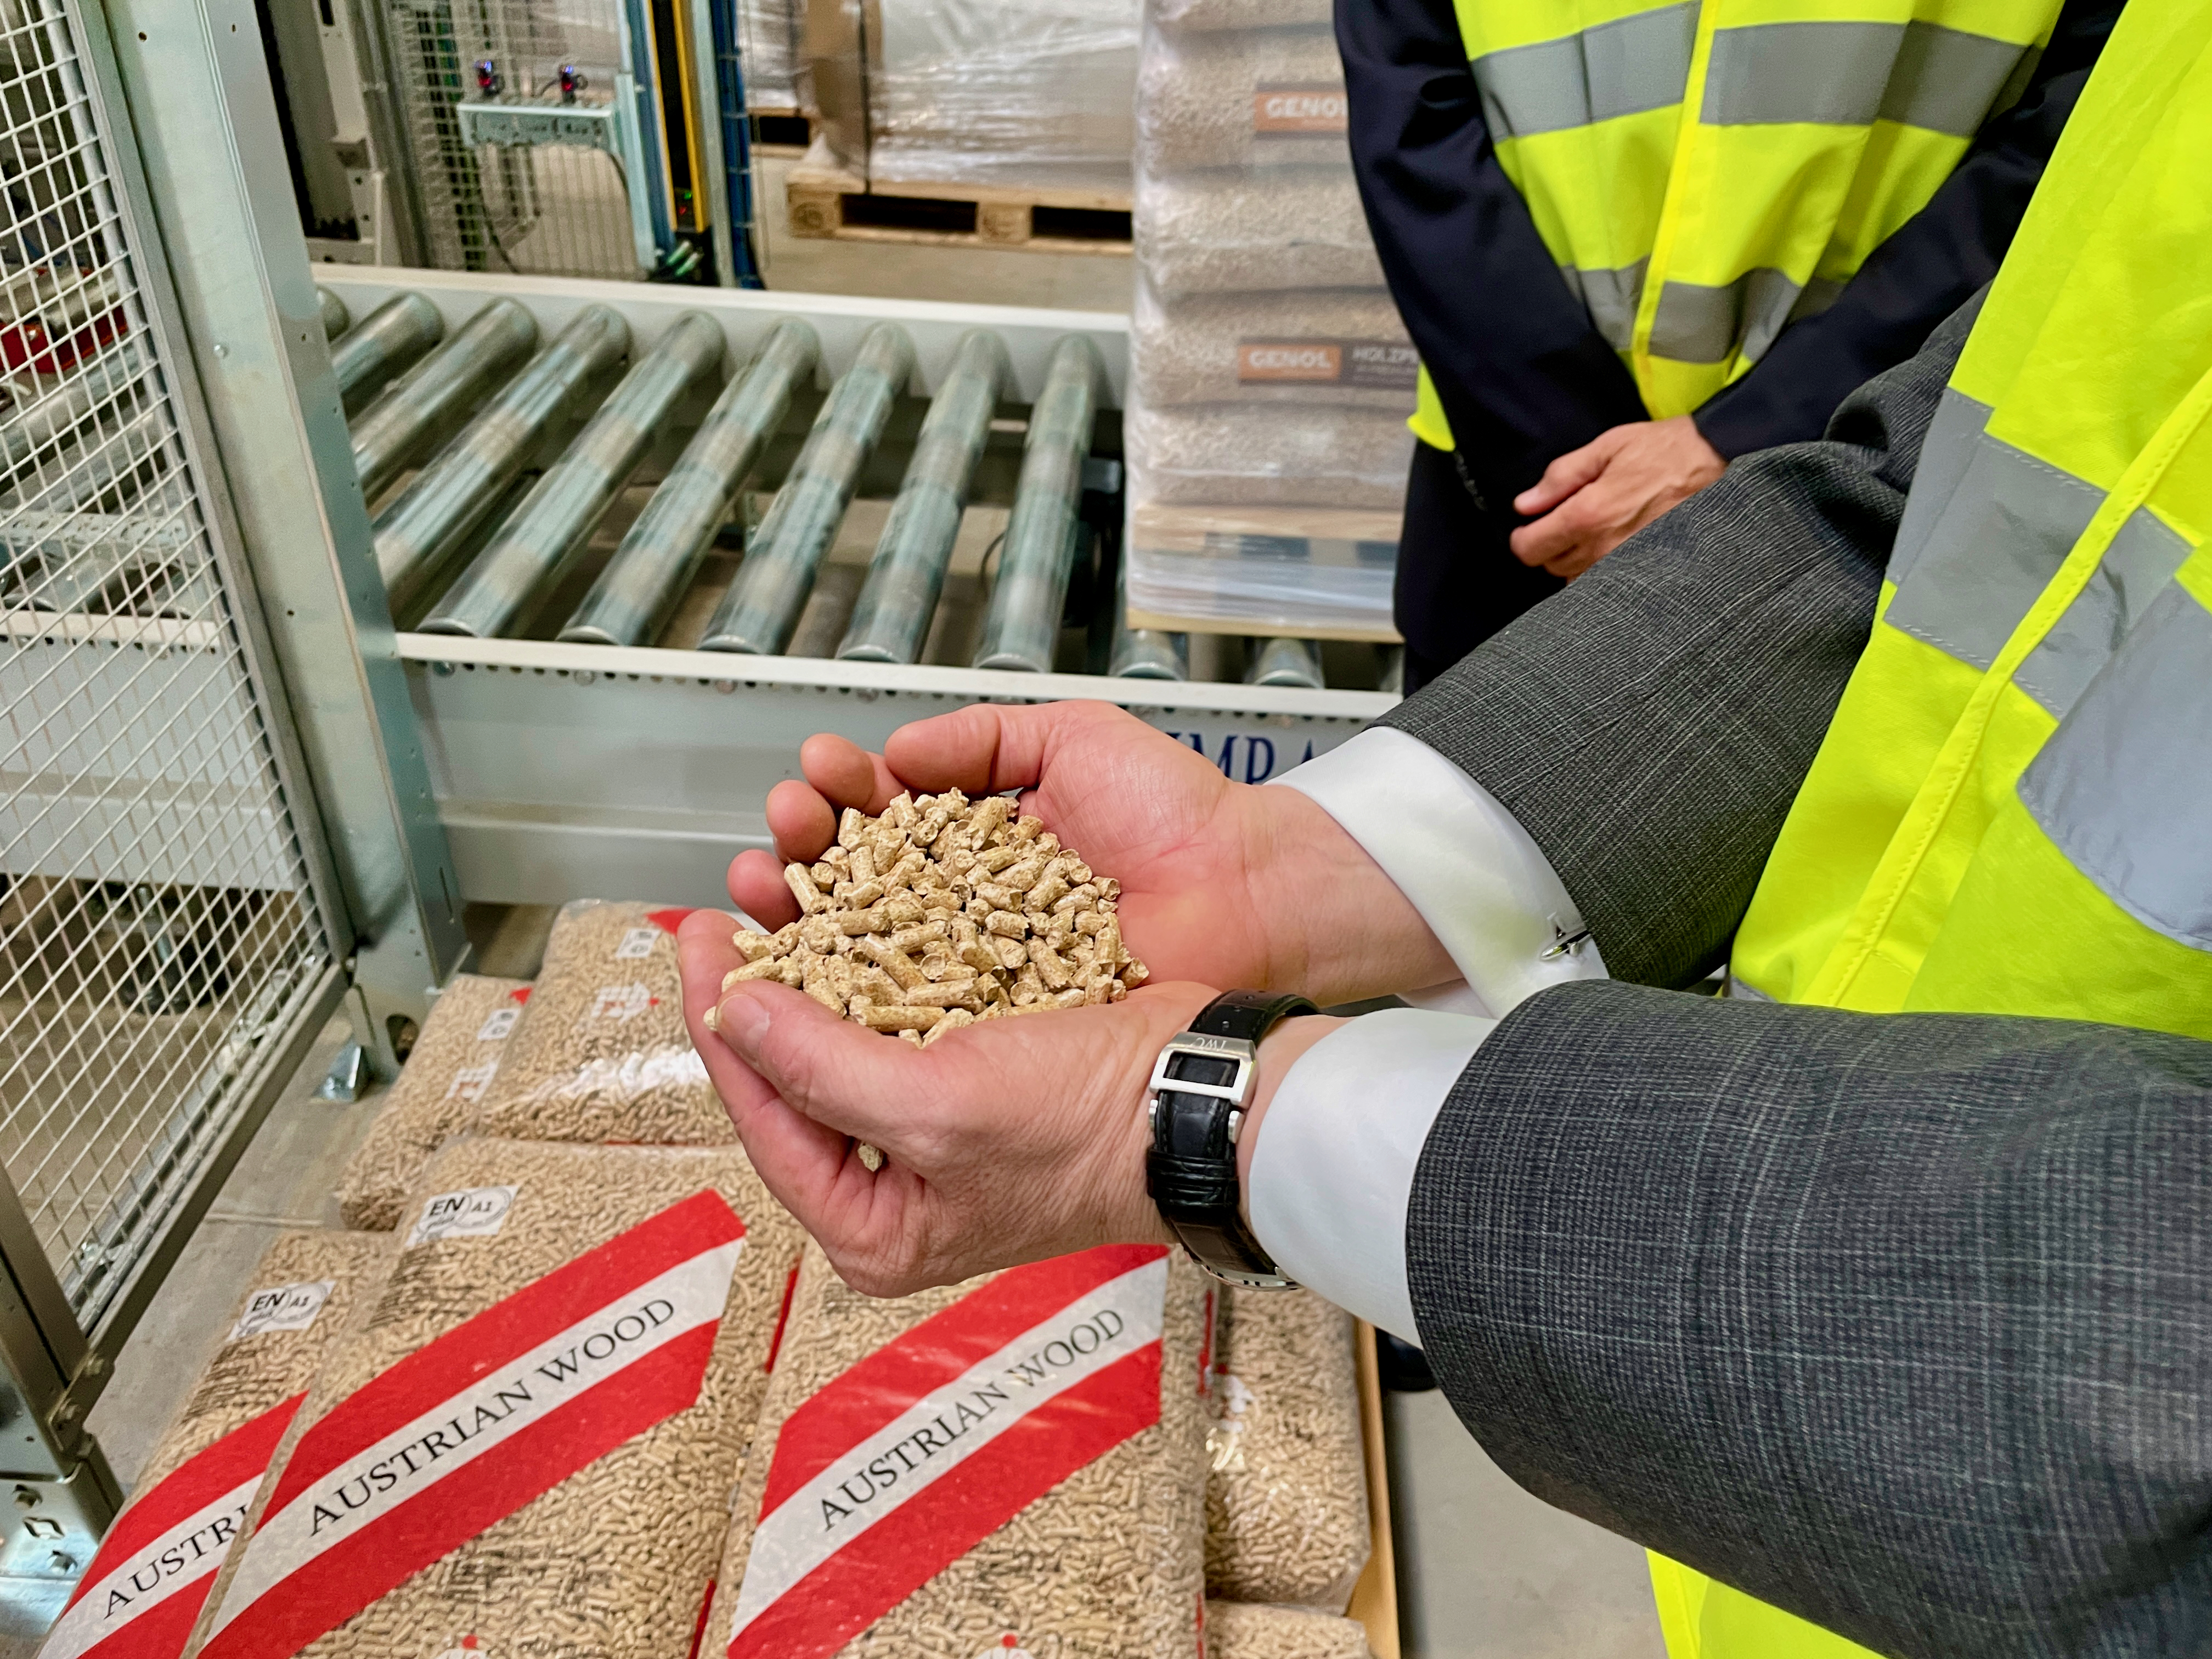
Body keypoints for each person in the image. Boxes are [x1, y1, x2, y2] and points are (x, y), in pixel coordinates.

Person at [678, 5, 2212, 1654]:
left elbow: (2152, 1341)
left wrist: (1221, 1113)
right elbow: (1924, 499)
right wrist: (1302, 874)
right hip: (1780, 1543)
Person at [1342, 0, 2125, 690]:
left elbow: (2090, 120)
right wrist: (1579, 475)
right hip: (1528, 493)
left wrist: (1750, 438)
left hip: (1861, 478)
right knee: (1453, 836)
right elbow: (1409, 109)